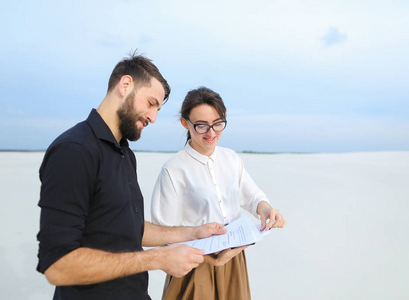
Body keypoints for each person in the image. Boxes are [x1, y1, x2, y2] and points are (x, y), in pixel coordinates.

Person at [36, 54, 226, 300]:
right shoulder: (75, 150)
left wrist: (194, 232)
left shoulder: (124, 152)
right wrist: (157, 258)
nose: (153, 117)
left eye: (157, 108)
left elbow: (127, 228)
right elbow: (58, 267)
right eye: (150, 103)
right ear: (125, 85)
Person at [150, 86, 287, 300]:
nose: (211, 133)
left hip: (234, 262)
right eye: (201, 126)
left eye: (217, 124)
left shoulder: (231, 158)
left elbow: (252, 196)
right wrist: (208, 259)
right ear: (185, 123)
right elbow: (163, 235)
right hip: (193, 265)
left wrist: (266, 210)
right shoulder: (173, 169)